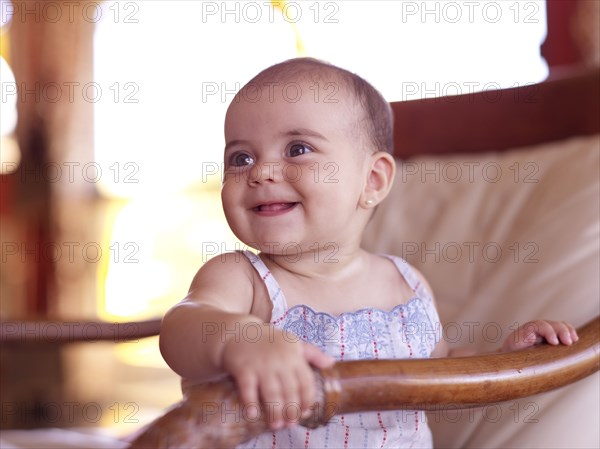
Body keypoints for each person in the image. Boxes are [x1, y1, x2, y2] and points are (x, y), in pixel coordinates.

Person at [159, 58, 579, 448]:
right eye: (241, 157)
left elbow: (439, 372)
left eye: (297, 149)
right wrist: (240, 338)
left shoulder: (403, 283)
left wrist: (506, 360)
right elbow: (182, 327)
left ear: (373, 180)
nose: (261, 171)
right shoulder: (242, 277)